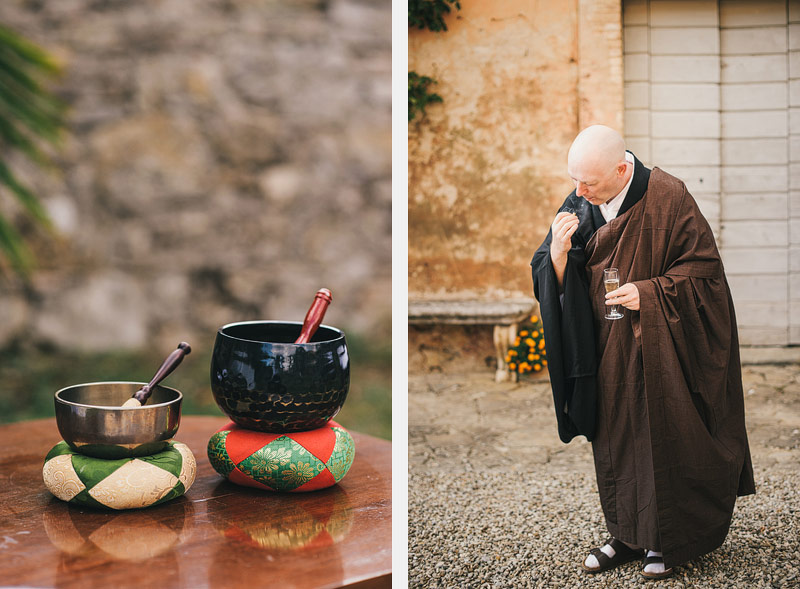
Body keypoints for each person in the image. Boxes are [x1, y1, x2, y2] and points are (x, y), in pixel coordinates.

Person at [530, 125, 755, 579]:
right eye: (575, 180)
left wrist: (651, 294)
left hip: (660, 346)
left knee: (662, 434)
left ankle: (666, 539)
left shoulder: (669, 196)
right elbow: (550, 268)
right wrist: (555, 253)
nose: (578, 191)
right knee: (614, 440)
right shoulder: (581, 200)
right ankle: (626, 535)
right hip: (603, 349)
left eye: (588, 182)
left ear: (621, 168)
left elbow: (705, 274)